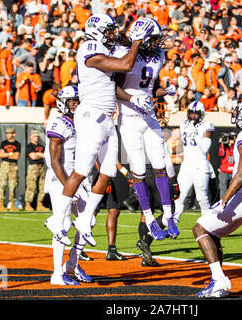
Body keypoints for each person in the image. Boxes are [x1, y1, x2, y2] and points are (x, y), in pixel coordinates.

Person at [44, 14, 155, 247]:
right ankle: (56, 219)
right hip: (91, 114)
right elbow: (125, 64)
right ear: (95, 30)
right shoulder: (89, 47)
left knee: (108, 171)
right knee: (83, 169)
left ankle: (85, 219)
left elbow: (122, 72)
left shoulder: (104, 47)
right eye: (108, 30)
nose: (111, 34)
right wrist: (134, 43)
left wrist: (136, 41)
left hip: (106, 116)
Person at [193, 97, 242, 298]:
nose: (236, 114)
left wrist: (224, 200)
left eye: (240, 111)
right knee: (214, 234)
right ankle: (217, 280)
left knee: (199, 228)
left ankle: (219, 279)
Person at [113, 18, 179, 242]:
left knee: (160, 163)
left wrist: (166, 90)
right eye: (154, 39)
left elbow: (152, 87)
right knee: (139, 169)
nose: (158, 43)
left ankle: (169, 214)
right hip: (129, 118)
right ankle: (149, 217)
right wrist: (132, 99)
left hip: (148, 115)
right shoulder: (126, 54)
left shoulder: (159, 56)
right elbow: (115, 89)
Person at [44, 85, 92, 285]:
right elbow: (55, 162)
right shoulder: (58, 123)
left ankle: (72, 263)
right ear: (63, 103)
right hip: (60, 178)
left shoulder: (79, 122)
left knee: (87, 222)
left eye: (77, 101)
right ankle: (57, 273)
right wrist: (68, 188)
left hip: (78, 177)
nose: (75, 105)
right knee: (62, 224)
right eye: (71, 101)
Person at [173, 101, 214, 221]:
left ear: (201, 114)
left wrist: (195, 135)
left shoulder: (207, 125)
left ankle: (208, 224)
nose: (193, 116)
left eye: (196, 114)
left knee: (202, 198)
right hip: (187, 165)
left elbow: (205, 148)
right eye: (191, 113)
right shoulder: (184, 124)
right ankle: (173, 223)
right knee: (179, 197)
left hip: (200, 165)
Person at [0, 128, 21, 212]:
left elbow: (16, 156)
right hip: (4, 165)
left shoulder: (17, 144)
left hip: (13, 166)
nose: (8, 134)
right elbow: (0, 155)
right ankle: (1, 204)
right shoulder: (3, 143)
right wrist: (11, 153)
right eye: (7, 133)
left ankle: (12, 205)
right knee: (2, 184)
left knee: (13, 185)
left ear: (14, 134)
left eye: (10, 133)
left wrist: (6, 154)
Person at [25, 130, 48, 211]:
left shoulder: (41, 146)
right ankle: (28, 204)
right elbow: (33, 157)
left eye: (37, 136)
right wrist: (40, 155)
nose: (36, 138)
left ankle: (40, 204)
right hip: (33, 167)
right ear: (31, 136)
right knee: (31, 186)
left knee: (42, 186)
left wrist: (37, 154)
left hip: (41, 167)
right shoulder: (29, 146)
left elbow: (46, 155)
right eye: (34, 136)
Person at [218, 131, 236, 199]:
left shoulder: (236, 147)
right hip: (224, 171)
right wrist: (222, 143)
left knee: (233, 190)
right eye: (230, 138)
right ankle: (222, 204)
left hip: (233, 172)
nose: (231, 140)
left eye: (232, 138)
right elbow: (221, 154)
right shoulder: (224, 147)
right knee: (223, 189)